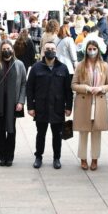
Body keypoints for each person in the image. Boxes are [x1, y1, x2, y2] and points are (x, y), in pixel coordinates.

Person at [26, 41, 73, 169]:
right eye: (47, 49)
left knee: (57, 135)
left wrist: (69, 107)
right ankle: (38, 157)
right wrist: (30, 107)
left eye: (52, 48)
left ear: (56, 51)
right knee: (40, 134)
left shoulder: (63, 68)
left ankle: (56, 158)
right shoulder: (36, 67)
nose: (50, 51)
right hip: (40, 107)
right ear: (43, 50)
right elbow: (29, 89)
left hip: (58, 108)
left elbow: (68, 90)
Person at [72, 39, 108, 171]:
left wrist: (101, 88)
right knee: (83, 132)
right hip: (84, 102)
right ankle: (83, 159)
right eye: (89, 49)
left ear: (98, 50)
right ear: (85, 50)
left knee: (97, 132)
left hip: (98, 102)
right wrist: (86, 88)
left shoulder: (104, 65)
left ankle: (95, 159)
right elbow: (73, 85)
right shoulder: (80, 65)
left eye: (94, 49)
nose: (92, 51)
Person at [0, 40, 27, 167]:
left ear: (12, 50)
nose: (6, 50)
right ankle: (1, 156)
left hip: (13, 103)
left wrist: (21, 101)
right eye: (3, 48)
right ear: (0, 50)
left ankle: (10, 156)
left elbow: (24, 83)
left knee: (12, 129)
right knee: (1, 129)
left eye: (8, 48)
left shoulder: (19, 64)